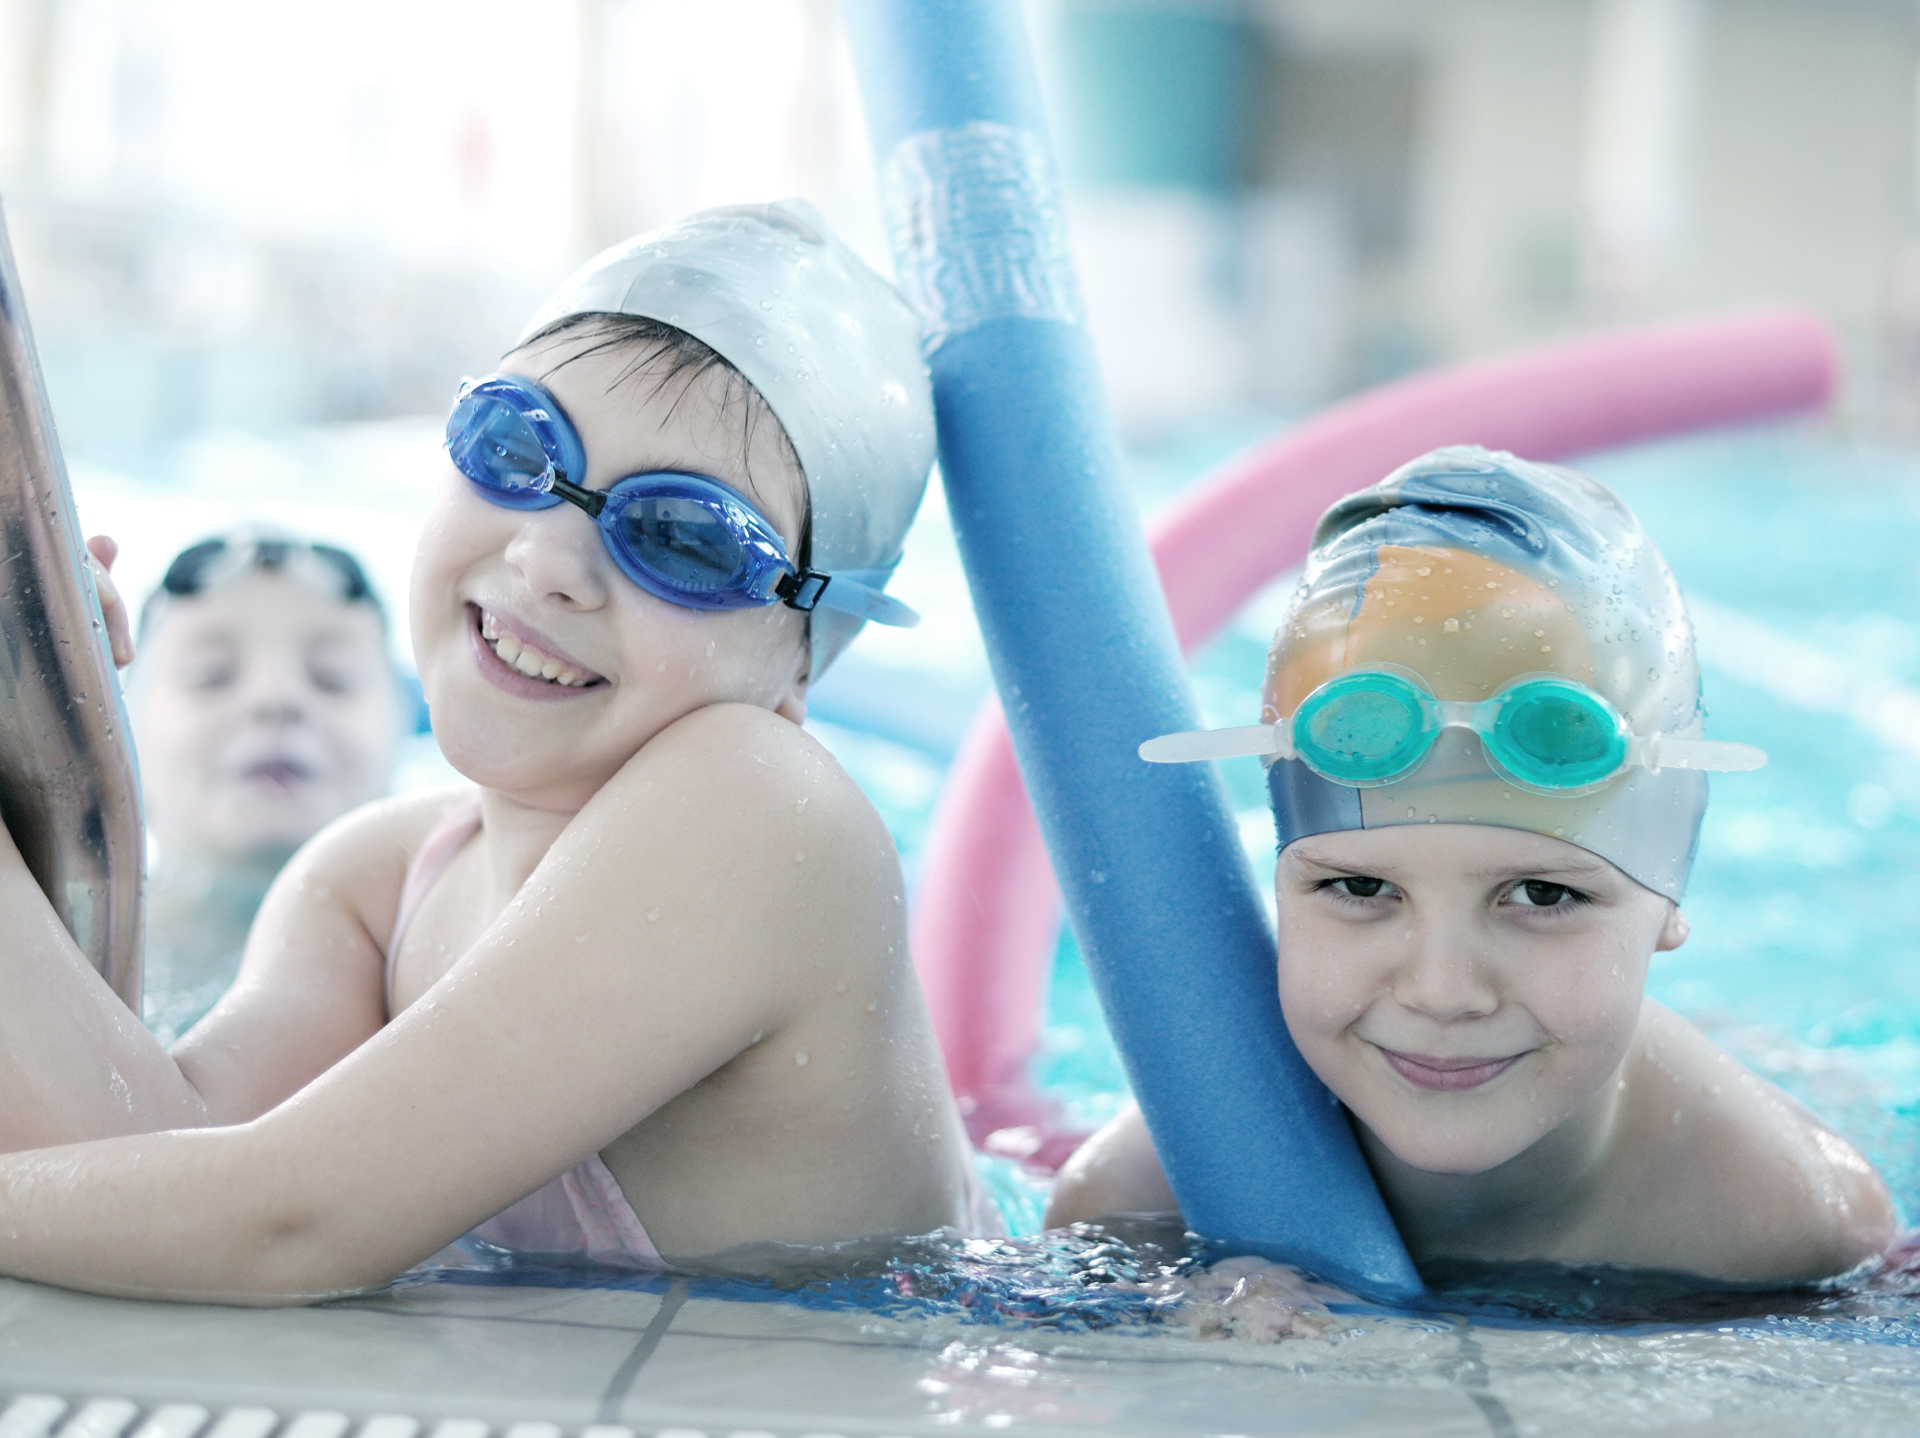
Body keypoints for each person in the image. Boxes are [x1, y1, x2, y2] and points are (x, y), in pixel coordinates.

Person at [0, 200, 980, 1303]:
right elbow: (150, 1150)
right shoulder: (372, 883)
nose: (550, 556)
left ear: (800, 664)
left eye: (686, 538)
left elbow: (279, 1223)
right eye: (518, 448)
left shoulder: (763, 808)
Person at [1047, 446, 1896, 1285]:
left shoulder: (1786, 1226)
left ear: (1670, 898)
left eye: (1541, 893)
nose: (1442, 991)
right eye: (1361, 887)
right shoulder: (1137, 1204)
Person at [130, 531, 407, 1043]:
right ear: (124, 736)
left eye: (333, 677)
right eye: (210, 675)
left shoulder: (443, 949)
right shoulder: (68, 945)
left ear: (402, 730)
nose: (276, 698)